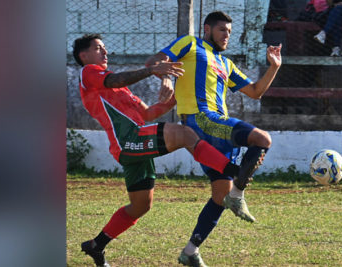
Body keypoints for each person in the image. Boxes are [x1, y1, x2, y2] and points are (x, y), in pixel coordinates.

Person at [72, 34, 246, 267]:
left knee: (141, 205)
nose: (105, 52)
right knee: (184, 135)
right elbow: (114, 80)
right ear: (84, 55)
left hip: (134, 145)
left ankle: (96, 245)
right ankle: (234, 170)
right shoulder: (89, 73)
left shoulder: (117, 85)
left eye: (105, 48)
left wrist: (176, 95)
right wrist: (152, 70)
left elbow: (147, 114)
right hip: (129, 140)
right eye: (98, 48)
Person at [146, 11, 282, 266]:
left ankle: (190, 251)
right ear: (207, 29)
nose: (227, 35)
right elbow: (157, 60)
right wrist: (166, 76)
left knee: (220, 194)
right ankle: (239, 194)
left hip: (213, 129)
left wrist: (274, 67)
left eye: (229, 32)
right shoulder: (190, 43)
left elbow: (255, 92)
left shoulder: (226, 63)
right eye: (222, 30)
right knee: (262, 140)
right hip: (203, 120)